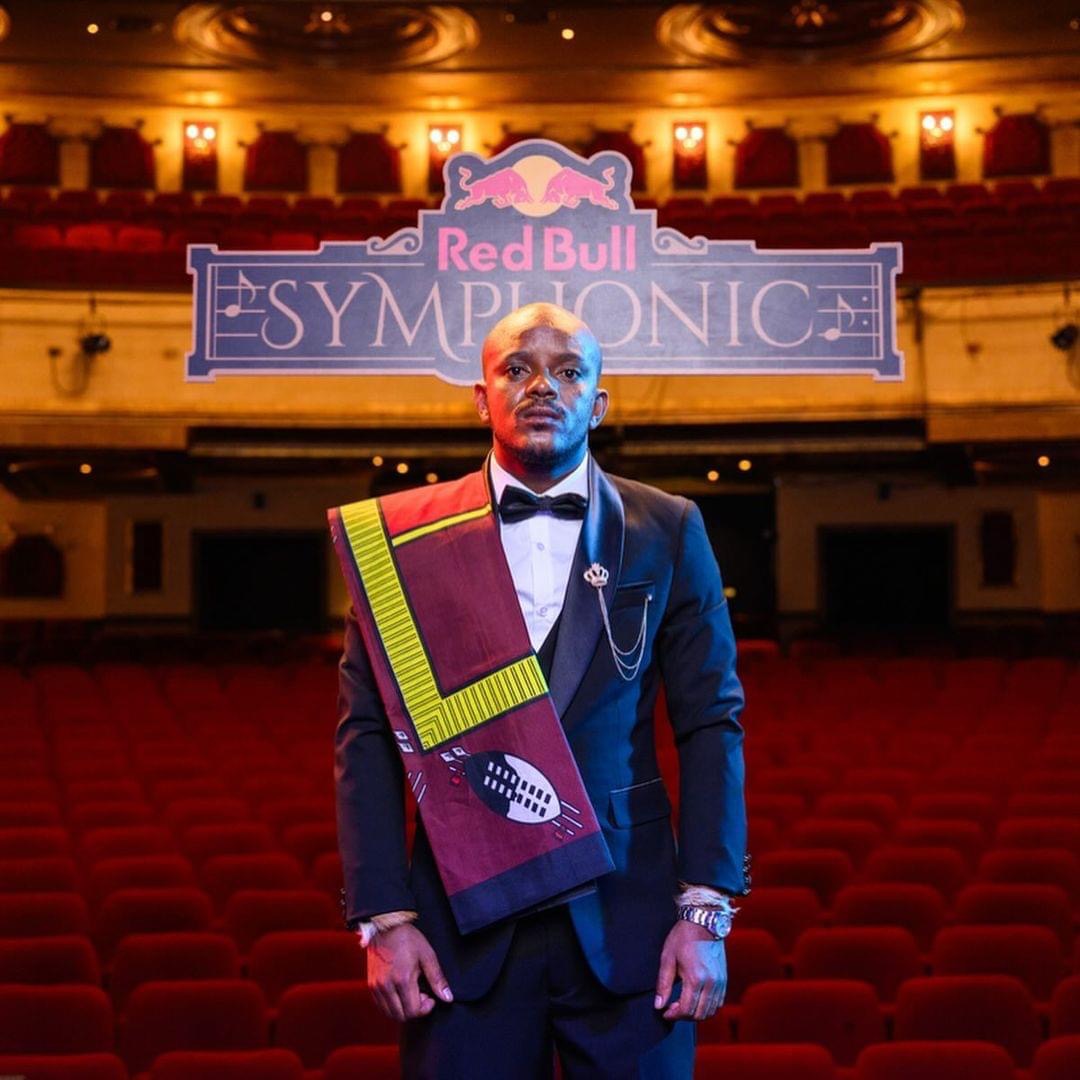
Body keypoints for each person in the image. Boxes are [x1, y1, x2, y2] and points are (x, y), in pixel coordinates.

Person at [333, 302, 748, 1079]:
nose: (542, 387)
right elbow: (367, 736)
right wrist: (384, 918)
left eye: (568, 372)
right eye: (517, 369)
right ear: (481, 398)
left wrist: (705, 910)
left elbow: (711, 725)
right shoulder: (404, 541)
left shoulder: (668, 527)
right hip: (460, 930)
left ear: (599, 402)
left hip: (631, 924)